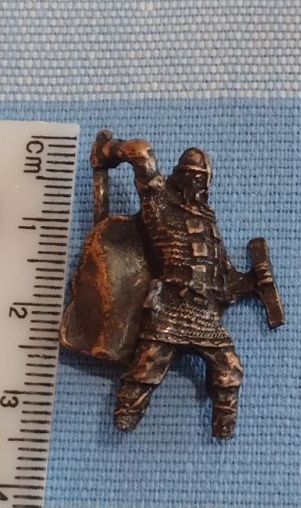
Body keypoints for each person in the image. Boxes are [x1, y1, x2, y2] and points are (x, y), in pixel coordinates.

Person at [95, 135, 248, 439]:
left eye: (202, 178)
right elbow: (141, 154)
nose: (197, 183)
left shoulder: (208, 219)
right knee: (148, 366)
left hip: (205, 311)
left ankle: (224, 426)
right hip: (171, 305)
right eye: (192, 176)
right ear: (180, 175)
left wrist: (254, 280)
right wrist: (109, 151)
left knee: (229, 369)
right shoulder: (160, 203)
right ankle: (126, 415)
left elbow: (225, 280)